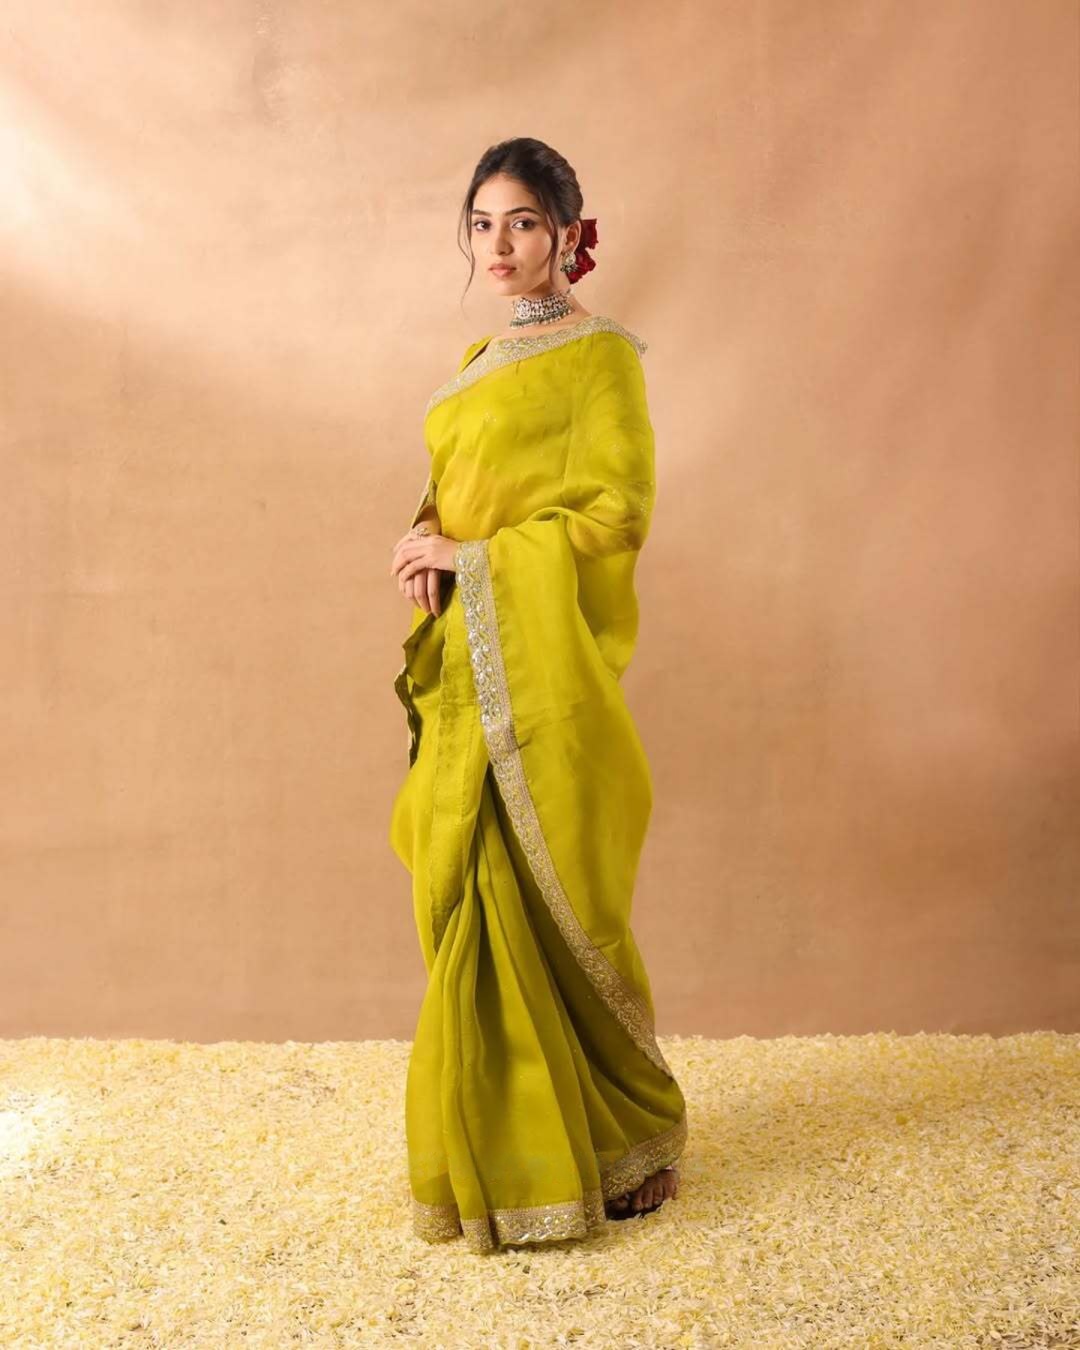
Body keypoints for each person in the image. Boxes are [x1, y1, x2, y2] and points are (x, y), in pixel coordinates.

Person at [388, 136, 688, 1254]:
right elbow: (460, 491)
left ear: (568, 232)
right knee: (463, 888)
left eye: (521, 222)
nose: (499, 244)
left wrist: (475, 559)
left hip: (541, 671)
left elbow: (616, 515)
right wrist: (422, 538)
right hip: (466, 664)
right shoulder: (479, 358)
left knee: (567, 898)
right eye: (482, 224)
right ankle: (505, 1159)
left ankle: (632, 1135)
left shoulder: (602, 357)